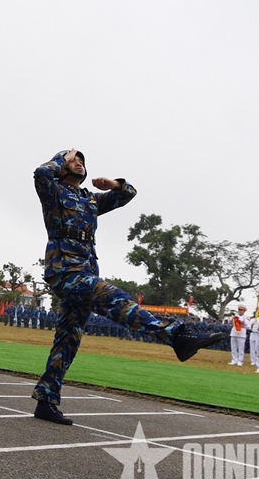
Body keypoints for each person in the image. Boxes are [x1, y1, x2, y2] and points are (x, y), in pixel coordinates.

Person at [31, 149, 224, 425]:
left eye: (82, 159)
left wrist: (114, 185)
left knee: (68, 340)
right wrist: (62, 157)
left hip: (86, 271)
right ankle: (175, 336)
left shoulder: (89, 199)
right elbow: (41, 172)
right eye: (73, 159)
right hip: (66, 272)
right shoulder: (52, 191)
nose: (79, 162)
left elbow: (128, 194)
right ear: (62, 167)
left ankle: (46, 399)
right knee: (114, 298)